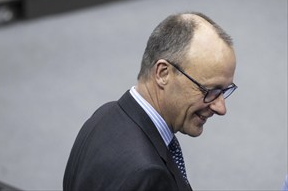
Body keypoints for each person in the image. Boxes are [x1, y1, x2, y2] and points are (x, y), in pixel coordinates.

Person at [63, 12, 237, 191]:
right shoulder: (148, 176)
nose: (221, 107)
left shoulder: (103, 116)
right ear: (163, 73)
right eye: (211, 91)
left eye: (224, 90)